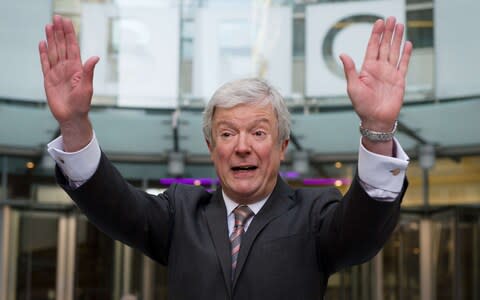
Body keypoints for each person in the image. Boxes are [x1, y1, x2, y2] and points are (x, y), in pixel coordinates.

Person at [39, 14, 411, 300]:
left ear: (282, 146)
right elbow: (113, 204)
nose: (242, 146)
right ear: (211, 147)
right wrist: (73, 124)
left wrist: (378, 128)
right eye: (228, 133)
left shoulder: (314, 213)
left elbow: (363, 234)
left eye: (259, 133)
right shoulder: (180, 213)